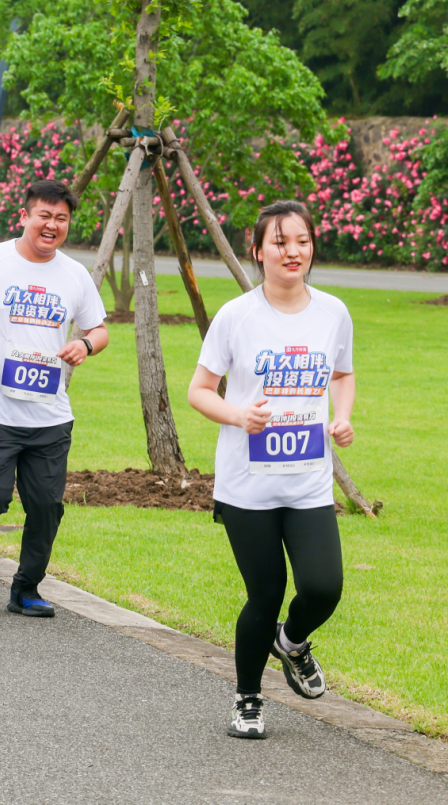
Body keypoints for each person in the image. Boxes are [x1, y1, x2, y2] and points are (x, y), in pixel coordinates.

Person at [187, 200, 352, 740]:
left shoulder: (333, 312)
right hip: (247, 487)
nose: (293, 251)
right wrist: (238, 414)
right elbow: (199, 391)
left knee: (324, 587)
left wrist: (342, 416)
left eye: (302, 241)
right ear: (257, 251)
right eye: (280, 242)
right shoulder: (236, 316)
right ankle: (248, 698)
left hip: (307, 481)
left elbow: (343, 374)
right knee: (265, 594)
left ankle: (293, 642)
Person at [0, 179, 109, 619]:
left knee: (46, 507)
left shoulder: (74, 275)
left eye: (61, 219)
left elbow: (99, 329)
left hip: (50, 415)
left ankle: (26, 588)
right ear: (26, 216)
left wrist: (86, 346)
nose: (52, 225)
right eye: (44, 216)